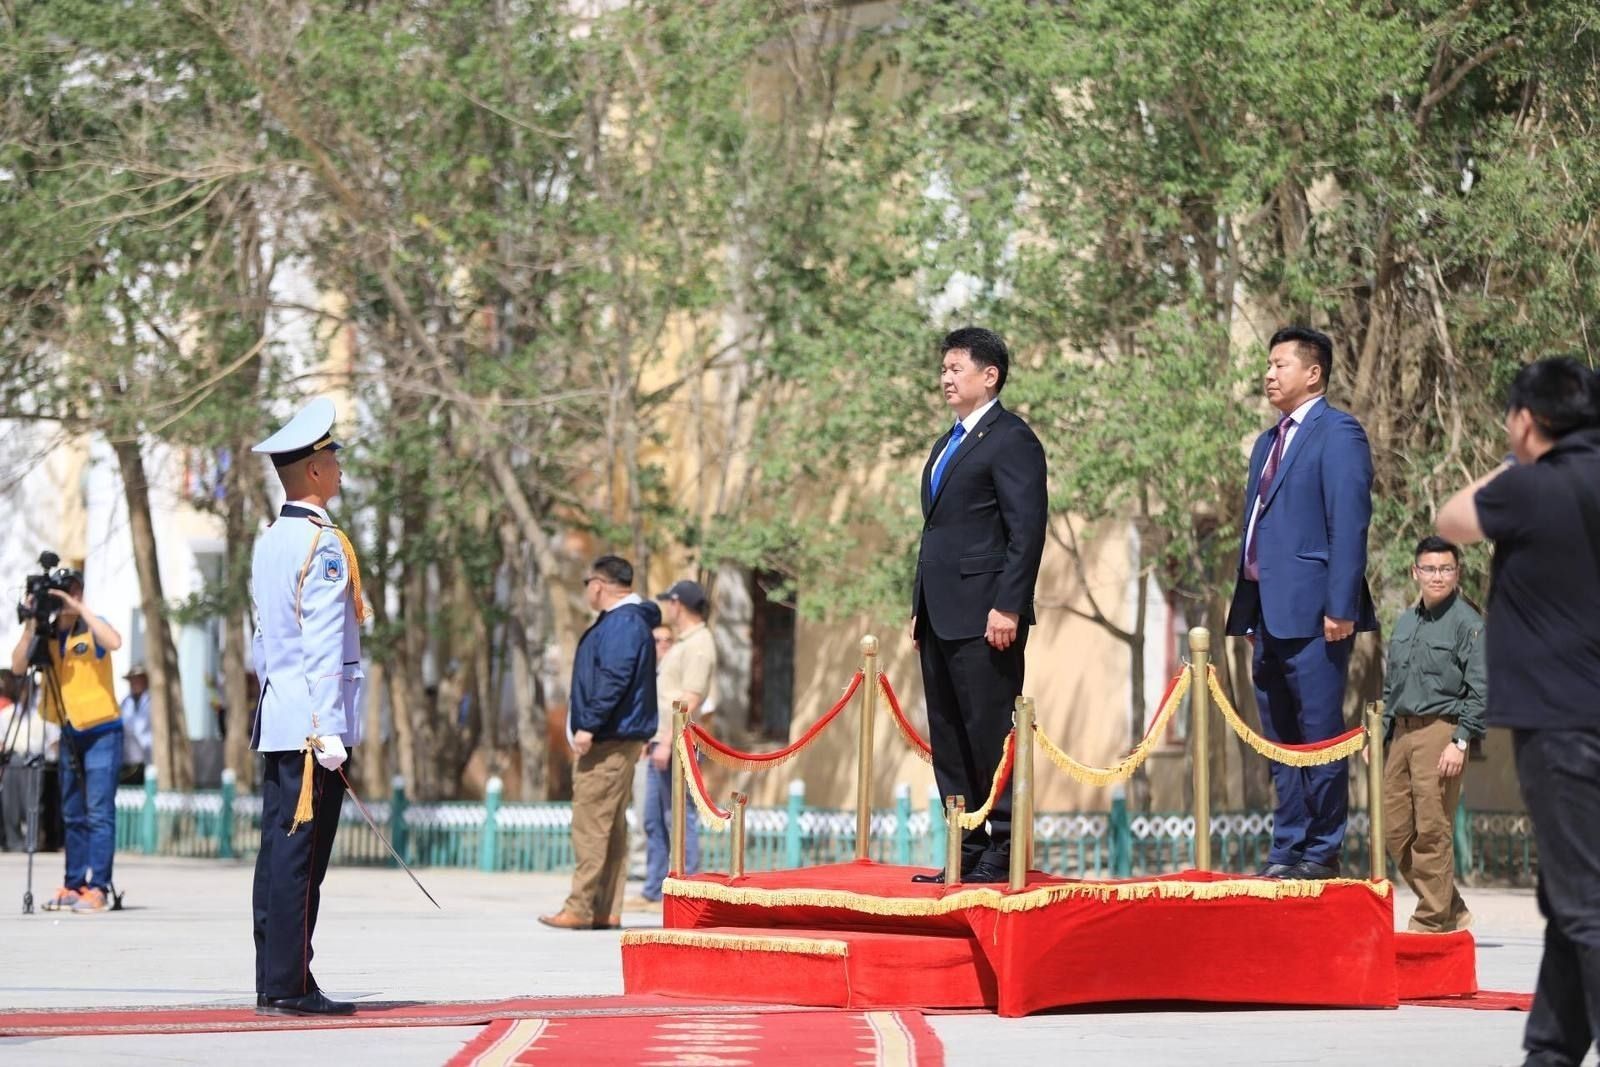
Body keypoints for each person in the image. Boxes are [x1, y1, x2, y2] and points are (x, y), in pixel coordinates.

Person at [1437, 356, 1600, 1066]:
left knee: (1586, 902)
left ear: (1528, 421)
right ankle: (1551, 1051)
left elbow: (1450, 519)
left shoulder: (1532, 488)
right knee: (1572, 891)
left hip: (1562, 726)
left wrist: (1513, 463)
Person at [1224, 325, 1377, 880]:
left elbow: (1349, 523)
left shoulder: (1339, 434)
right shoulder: (1267, 442)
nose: (1269, 373)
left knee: (1319, 736)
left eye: (1280, 364)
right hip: (1264, 613)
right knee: (1278, 741)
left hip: (1317, 616)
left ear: (1313, 373)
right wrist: (1248, 609)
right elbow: (1254, 532)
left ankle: (1321, 850)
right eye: (1267, 364)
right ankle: (1286, 849)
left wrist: (1342, 607)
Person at [910, 326, 1047, 884]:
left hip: (987, 614)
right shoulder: (949, 440)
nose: (945, 378)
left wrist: (1008, 605)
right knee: (948, 734)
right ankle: (963, 847)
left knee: (990, 730)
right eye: (942, 369)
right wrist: (918, 601)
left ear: (989, 376)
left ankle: (1004, 846)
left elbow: (1027, 529)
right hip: (940, 613)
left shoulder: (1010, 438)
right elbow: (939, 532)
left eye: (956, 368)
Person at [248, 397, 366, 1016]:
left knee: (278, 854)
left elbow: (265, 641)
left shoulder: (272, 540)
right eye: (334, 460)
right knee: (300, 860)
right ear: (315, 471)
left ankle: (274, 976)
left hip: (280, 717)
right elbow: (321, 645)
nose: (340, 470)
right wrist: (328, 729)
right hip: (312, 729)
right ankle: (291, 984)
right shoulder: (323, 545)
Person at [540, 555, 659, 930]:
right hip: (617, 735)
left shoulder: (623, 623)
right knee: (609, 826)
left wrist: (588, 725)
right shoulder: (626, 621)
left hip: (608, 738)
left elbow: (614, 678)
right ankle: (605, 907)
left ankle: (580, 907)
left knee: (591, 822)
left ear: (599, 585)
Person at [1382, 535, 1485, 933]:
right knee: (1395, 830)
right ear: (1415, 572)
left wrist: (1461, 740)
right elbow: (1392, 684)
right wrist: (1381, 733)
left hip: (1441, 732)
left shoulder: (1468, 623)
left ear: (1457, 573)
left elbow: (1481, 689)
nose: (1437, 576)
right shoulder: (1406, 621)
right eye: (1430, 568)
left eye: (1445, 569)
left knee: (1432, 827)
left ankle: (1431, 918)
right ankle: (1451, 906)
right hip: (1402, 735)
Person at [10, 568, 125, 911]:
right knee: (72, 812)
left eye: (72, 593)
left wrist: (80, 608)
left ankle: (99, 887)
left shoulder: (92, 626)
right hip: (68, 730)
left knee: (99, 813)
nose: (65, 601)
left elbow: (115, 641)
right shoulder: (45, 636)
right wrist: (32, 620)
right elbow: (17, 668)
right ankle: (73, 884)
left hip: (103, 730)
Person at [638, 579, 717, 905]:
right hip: (661, 739)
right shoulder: (685, 642)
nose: (668, 608)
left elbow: (690, 698)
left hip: (679, 742)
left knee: (679, 817)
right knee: (654, 819)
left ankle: (687, 887)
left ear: (678, 604)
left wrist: (669, 741)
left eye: (670, 602)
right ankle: (656, 887)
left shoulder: (699, 643)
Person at [119, 663, 152, 784]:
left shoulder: (154, 700)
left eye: (138, 679)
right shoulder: (125, 702)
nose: (135, 683)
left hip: (149, 757)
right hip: (129, 758)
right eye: (132, 680)